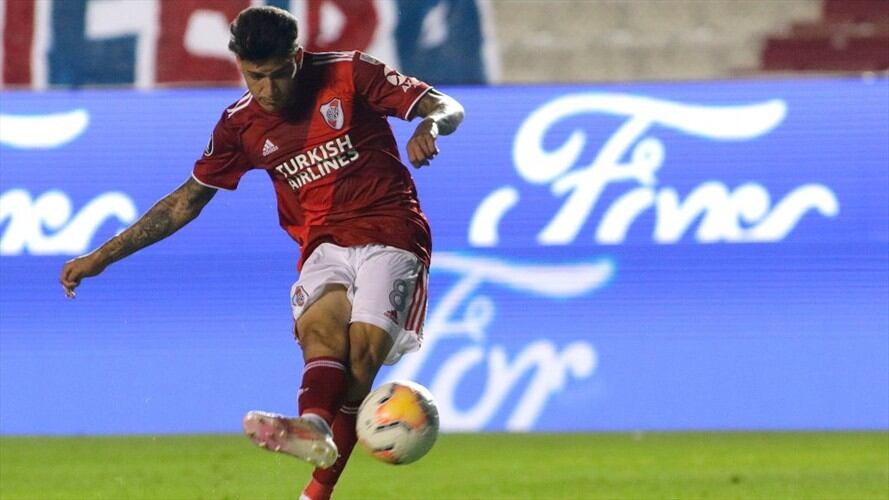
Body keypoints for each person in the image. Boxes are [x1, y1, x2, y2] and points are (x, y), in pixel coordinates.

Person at [58, 6, 464, 500]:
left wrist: (430, 125)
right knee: (319, 331)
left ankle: (315, 491)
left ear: (297, 56)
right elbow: (186, 202)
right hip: (322, 243)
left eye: (277, 73)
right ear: (240, 67)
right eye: (255, 76)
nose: (268, 89)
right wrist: (101, 257)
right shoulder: (240, 125)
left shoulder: (348, 73)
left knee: (360, 361)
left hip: (391, 230)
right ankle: (313, 426)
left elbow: (446, 105)